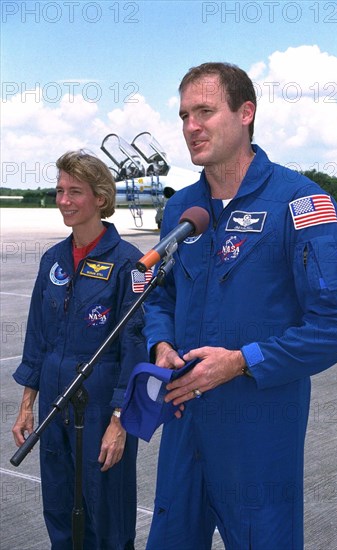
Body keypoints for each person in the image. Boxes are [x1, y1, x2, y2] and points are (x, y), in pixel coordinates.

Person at [142, 62, 337, 549]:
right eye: (183, 115)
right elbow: (161, 294)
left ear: (246, 113)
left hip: (259, 432)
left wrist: (242, 362)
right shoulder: (182, 210)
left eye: (204, 111)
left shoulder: (301, 203)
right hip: (184, 424)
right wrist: (159, 342)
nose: (190, 127)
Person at [12, 150, 148, 550]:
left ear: (101, 198)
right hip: (54, 396)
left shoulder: (131, 265)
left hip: (102, 399)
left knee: (106, 508)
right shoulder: (52, 260)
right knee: (58, 504)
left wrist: (120, 422)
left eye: (75, 192)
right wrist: (26, 404)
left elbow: (135, 348)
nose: (64, 201)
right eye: (59, 191)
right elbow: (37, 335)